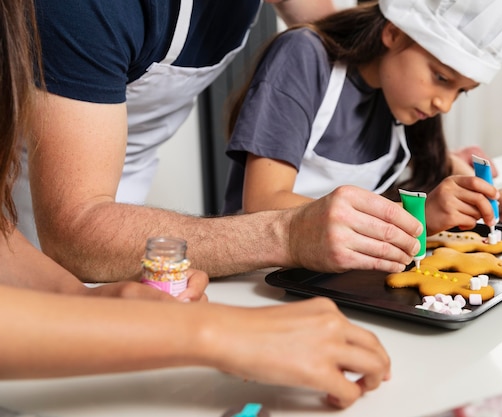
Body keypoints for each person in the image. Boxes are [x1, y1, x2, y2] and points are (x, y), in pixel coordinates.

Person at [0, 0, 390, 408]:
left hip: (61, 254)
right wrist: (213, 332)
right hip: (41, 218)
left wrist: (84, 302)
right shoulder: (79, 10)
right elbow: (74, 228)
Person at [15, 0, 424, 283]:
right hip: (28, 214)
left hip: (128, 208)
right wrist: (287, 233)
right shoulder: (86, 10)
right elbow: (74, 229)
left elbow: (347, 33)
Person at [223, 0, 502, 236]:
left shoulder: (401, 98)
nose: (445, 104)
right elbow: (263, 203)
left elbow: (442, 166)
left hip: (338, 272)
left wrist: (489, 203)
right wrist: (414, 217)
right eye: (441, 78)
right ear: (393, 33)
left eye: (462, 91)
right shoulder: (305, 55)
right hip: (259, 275)